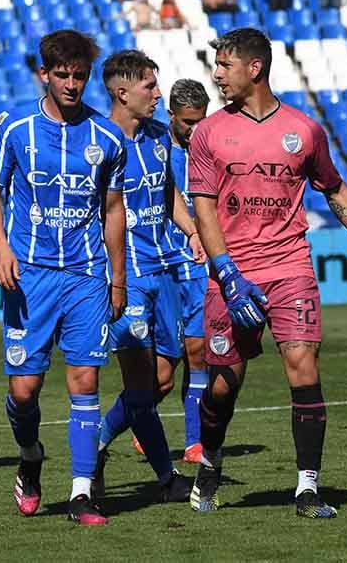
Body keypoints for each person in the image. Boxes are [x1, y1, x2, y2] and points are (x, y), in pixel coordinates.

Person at [185, 28, 347, 519]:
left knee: (304, 369)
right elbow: (202, 210)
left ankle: (307, 487)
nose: (217, 74)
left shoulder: (304, 130)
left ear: (254, 68)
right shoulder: (208, 133)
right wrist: (227, 273)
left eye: (225, 65)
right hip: (232, 273)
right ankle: (211, 460)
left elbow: (334, 189)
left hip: (290, 267)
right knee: (222, 386)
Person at [0, 30, 127, 526]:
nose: (71, 83)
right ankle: (30, 457)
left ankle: (82, 493)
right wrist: (0, 247)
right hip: (31, 275)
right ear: (44, 74)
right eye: (61, 74)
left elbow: (112, 208)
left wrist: (118, 277)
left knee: (85, 380)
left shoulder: (108, 137)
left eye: (79, 75)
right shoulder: (15, 128)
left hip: (86, 274)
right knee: (24, 390)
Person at [91, 51, 200, 505]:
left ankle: (94, 444)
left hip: (165, 270)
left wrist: (193, 232)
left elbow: (170, 194)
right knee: (142, 382)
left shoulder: (160, 139)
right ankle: (165, 476)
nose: (158, 94)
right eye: (150, 87)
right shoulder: (94, 140)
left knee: (162, 382)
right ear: (122, 92)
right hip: (124, 276)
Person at [165, 79, 211, 463]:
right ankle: (129, 422)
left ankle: (194, 441)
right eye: (187, 122)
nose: (195, 129)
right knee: (160, 373)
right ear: (171, 117)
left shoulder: (211, 151)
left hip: (197, 265)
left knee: (198, 352)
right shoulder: (154, 150)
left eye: (201, 120)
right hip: (158, 267)